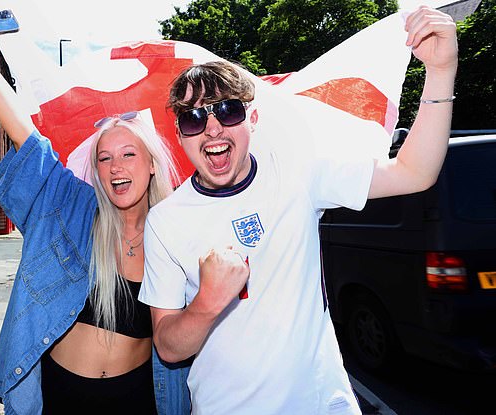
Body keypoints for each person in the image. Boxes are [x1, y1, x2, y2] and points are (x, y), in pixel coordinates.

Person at [139, 6, 457, 414]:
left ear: (252, 118)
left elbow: (415, 172)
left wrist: (441, 71)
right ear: (180, 134)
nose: (213, 128)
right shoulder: (166, 220)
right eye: (194, 117)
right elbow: (167, 347)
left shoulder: (298, 173)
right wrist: (207, 303)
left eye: (228, 110)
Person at [0, 1, 190, 414]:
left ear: (151, 163)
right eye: (105, 158)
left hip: (142, 400)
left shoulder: (178, 233)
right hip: (58, 397)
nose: (116, 167)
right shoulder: (72, 207)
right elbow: (22, 130)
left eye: (128, 154)